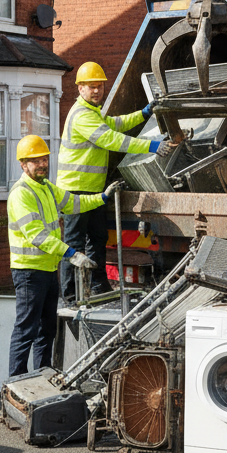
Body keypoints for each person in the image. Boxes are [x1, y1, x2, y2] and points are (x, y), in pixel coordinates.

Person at [7, 134, 124, 378]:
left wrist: (103, 197)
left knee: (47, 329)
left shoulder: (47, 188)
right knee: (26, 329)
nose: (42, 164)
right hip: (29, 272)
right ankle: (17, 380)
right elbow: (36, 235)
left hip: (48, 270)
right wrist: (71, 253)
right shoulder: (21, 194)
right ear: (23, 164)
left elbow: (74, 203)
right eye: (35, 161)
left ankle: (42, 376)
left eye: (44, 159)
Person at [56, 61, 168, 300]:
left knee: (98, 239)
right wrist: (151, 146)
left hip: (93, 191)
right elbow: (112, 139)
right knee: (74, 244)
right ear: (80, 88)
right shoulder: (82, 116)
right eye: (91, 86)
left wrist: (144, 113)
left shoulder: (93, 112)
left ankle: (98, 286)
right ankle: (70, 295)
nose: (97, 90)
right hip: (75, 191)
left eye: (100, 86)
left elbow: (117, 124)